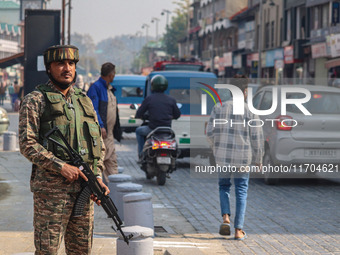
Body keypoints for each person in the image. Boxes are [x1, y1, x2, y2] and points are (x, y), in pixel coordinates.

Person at [19, 45, 109, 254]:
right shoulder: (35, 100)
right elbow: (27, 143)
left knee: (81, 250)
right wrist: (61, 167)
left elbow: (98, 145)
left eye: (71, 63)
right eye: (60, 63)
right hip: (51, 194)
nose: (66, 68)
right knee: (47, 251)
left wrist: (96, 176)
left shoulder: (84, 101)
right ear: (49, 68)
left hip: (84, 191)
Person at [206, 74, 264, 240]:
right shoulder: (251, 112)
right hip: (243, 158)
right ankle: (238, 230)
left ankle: (225, 217)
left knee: (224, 186)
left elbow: (210, 133)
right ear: (245, 92)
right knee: (241, 190)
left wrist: (216, 148)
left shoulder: (218, 108)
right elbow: (257, 137)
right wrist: (259, 158)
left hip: (223, 157)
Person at [87, 62, 120, 184]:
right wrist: (101, 126)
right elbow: (93, 109)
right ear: (111, 75)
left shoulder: (108, 88)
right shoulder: (96, 87)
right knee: (102, 159)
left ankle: (114, 190)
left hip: (109, 133)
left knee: (111, 161)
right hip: (103, 133)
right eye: (114, 74)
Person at [135, 75, 181, 158]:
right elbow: (177, 115)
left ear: (153, 86)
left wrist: (141, 116)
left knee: (139, 131)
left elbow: (139, 114)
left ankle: (141, 154)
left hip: (152, 129)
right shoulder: (171, 99)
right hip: (167, 130)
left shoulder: (149, 99)